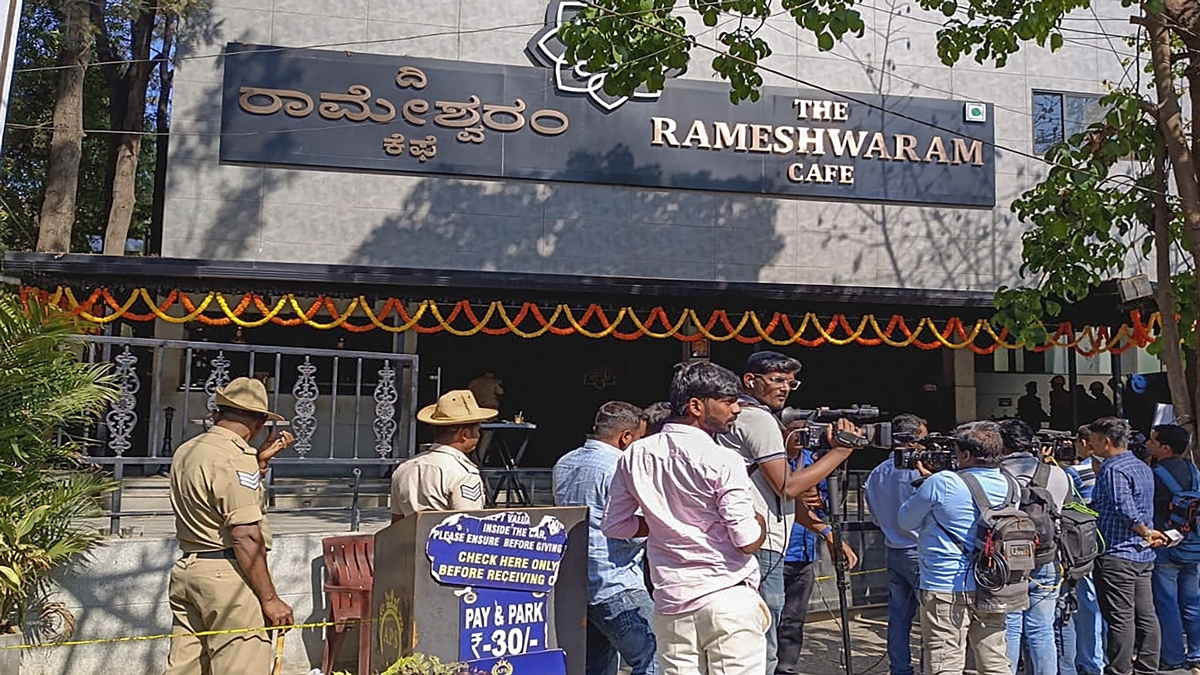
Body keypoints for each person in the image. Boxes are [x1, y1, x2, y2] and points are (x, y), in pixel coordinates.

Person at [603, 360, 772, 675]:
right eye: (727, 401)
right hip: (727, 594)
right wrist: (760, 521)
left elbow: (615, 526)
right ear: (696, 405)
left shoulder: (636, 454)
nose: (736, 409)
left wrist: (659, 522)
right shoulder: (724, 460)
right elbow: (747, 541)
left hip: (671, 600)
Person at [716, 351, 858, 675]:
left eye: (790, 382)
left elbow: (790, 500)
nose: (784, 388)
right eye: (776, 380)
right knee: (763, 634)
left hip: (754, 537)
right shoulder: (758, 418)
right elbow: (789, 488)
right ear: (750, 381)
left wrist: (828, 534)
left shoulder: (741, 417)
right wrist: (841, 451)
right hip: (761, 543)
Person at [165, 377, 295, 675]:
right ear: (260, 423)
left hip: (189, 567)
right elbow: (246, 537)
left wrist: (259, 464)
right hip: (226, 576)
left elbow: (213, 499)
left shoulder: (188, 449)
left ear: (216, 414)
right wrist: (270, 599)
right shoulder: (235, 459)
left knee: (184, 668)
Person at [897, 421, 1014, 675]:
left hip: (946, 585)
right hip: (992, 582)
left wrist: (927, 483)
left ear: (967, 454)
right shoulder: (1011, 484)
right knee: (994, 660)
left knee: (945, 661)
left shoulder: (943, 483)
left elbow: (905, 520)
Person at [553, 401, 655, 675]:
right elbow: (629, 531)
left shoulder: (565, 462)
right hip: (617, 582)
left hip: (576, 585)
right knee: (656, 658)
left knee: (594, 667)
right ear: (626, 437)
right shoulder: (621, 466)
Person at [775, 418, 860, 675]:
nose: (802, 438)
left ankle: (786, 668)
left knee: (793, 620)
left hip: (804, 550)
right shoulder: (772, 462)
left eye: (808, 433)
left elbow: (825, 502)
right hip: (776, 551)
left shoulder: (815, 460)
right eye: (796, 432)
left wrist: (819, 500)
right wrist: (795, 493)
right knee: (769, 618)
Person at [1089, 417, 1166, 675]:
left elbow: (1125, 508)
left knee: (1121, 616)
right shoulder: (1142, 466)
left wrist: (1145, 532)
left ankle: (1120, 669)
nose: (1091, 446)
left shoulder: (1113, 469)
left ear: (1106, 441)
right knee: (1145, 613)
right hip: (1142, 554)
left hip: (1117, 551)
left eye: (1094, 441)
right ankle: (1147, 666)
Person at [997, 419, 1072, 675]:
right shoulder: (1057, 474)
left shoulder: (996, 475)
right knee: (1042, 628)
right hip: (1048, 556)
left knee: (1010, 626)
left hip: (1007, 561)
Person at [863, 414, 927, 675]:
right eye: (924, 439)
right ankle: (930, 668)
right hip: (919, 550)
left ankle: (900, 669)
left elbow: (876, 517)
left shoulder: (877, 472)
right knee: (933, 619)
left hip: (893, 547)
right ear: (913, 441)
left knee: (898, 618)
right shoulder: (918, 472)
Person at [390, 390, 494, 521]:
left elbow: (396, 522)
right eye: (478, 430)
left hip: (409, 541)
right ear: (465, 434)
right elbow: (469, 523)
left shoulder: (405, 468)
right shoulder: (463, 473)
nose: (479, 435)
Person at [1147, 423, 1200, 673]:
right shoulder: (1193, 469)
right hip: (1193, 544)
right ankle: (1197, 653)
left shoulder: (1155, 473)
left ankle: (1173, 656)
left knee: (1167, 603)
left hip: (1165, 545)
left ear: (1165, 448)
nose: (1148, 445)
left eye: (1153, 441)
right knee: (1192, 601)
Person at [1061, 426, 1106, 675]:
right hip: (1108, 543)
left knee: (1087, 604)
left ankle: (1089, 660)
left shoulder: (1074, 472)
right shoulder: (1115, 466)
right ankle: (1101, 656)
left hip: (1084, 545)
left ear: (1084, 443)